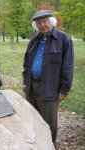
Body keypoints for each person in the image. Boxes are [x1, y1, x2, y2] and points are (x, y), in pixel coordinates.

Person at [22, 10, 74, 144]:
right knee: (33, 119)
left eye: (44, 21)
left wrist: (64, 90)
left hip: (50, 88)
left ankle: (49, 146)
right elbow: (27, 63)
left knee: (49, 124)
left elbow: (67, 66)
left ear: (51, 22)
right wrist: (25, 81)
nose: (42, 25)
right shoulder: (34, 40)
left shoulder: (63, 39)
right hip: (32, 87)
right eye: (38, 23)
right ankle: (36, 145)